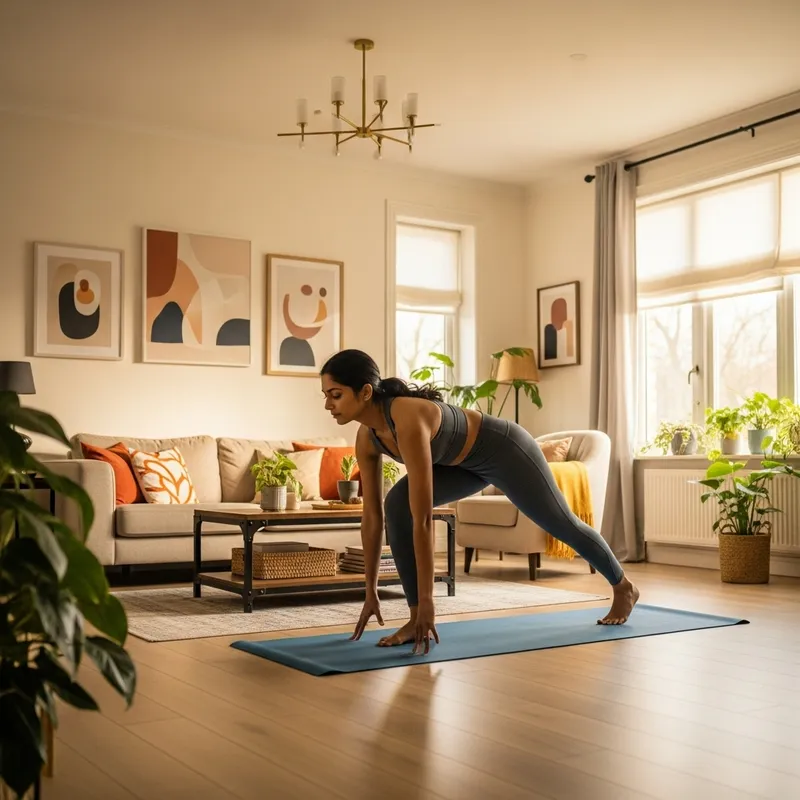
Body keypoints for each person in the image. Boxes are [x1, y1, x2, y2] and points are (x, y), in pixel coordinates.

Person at [319, 349, 639, 656]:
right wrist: (370, 589)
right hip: (462, 466)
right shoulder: (367, 437)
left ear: (364, 392)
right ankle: (414, 618)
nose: (328, 405)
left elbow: (424, 519)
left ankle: (623, 586)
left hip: (505, 450)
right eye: (325, 396)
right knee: (395, 504)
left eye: (335, 395)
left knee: (561, 523)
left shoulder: (407, 418)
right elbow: (372, 516)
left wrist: (431, 601)